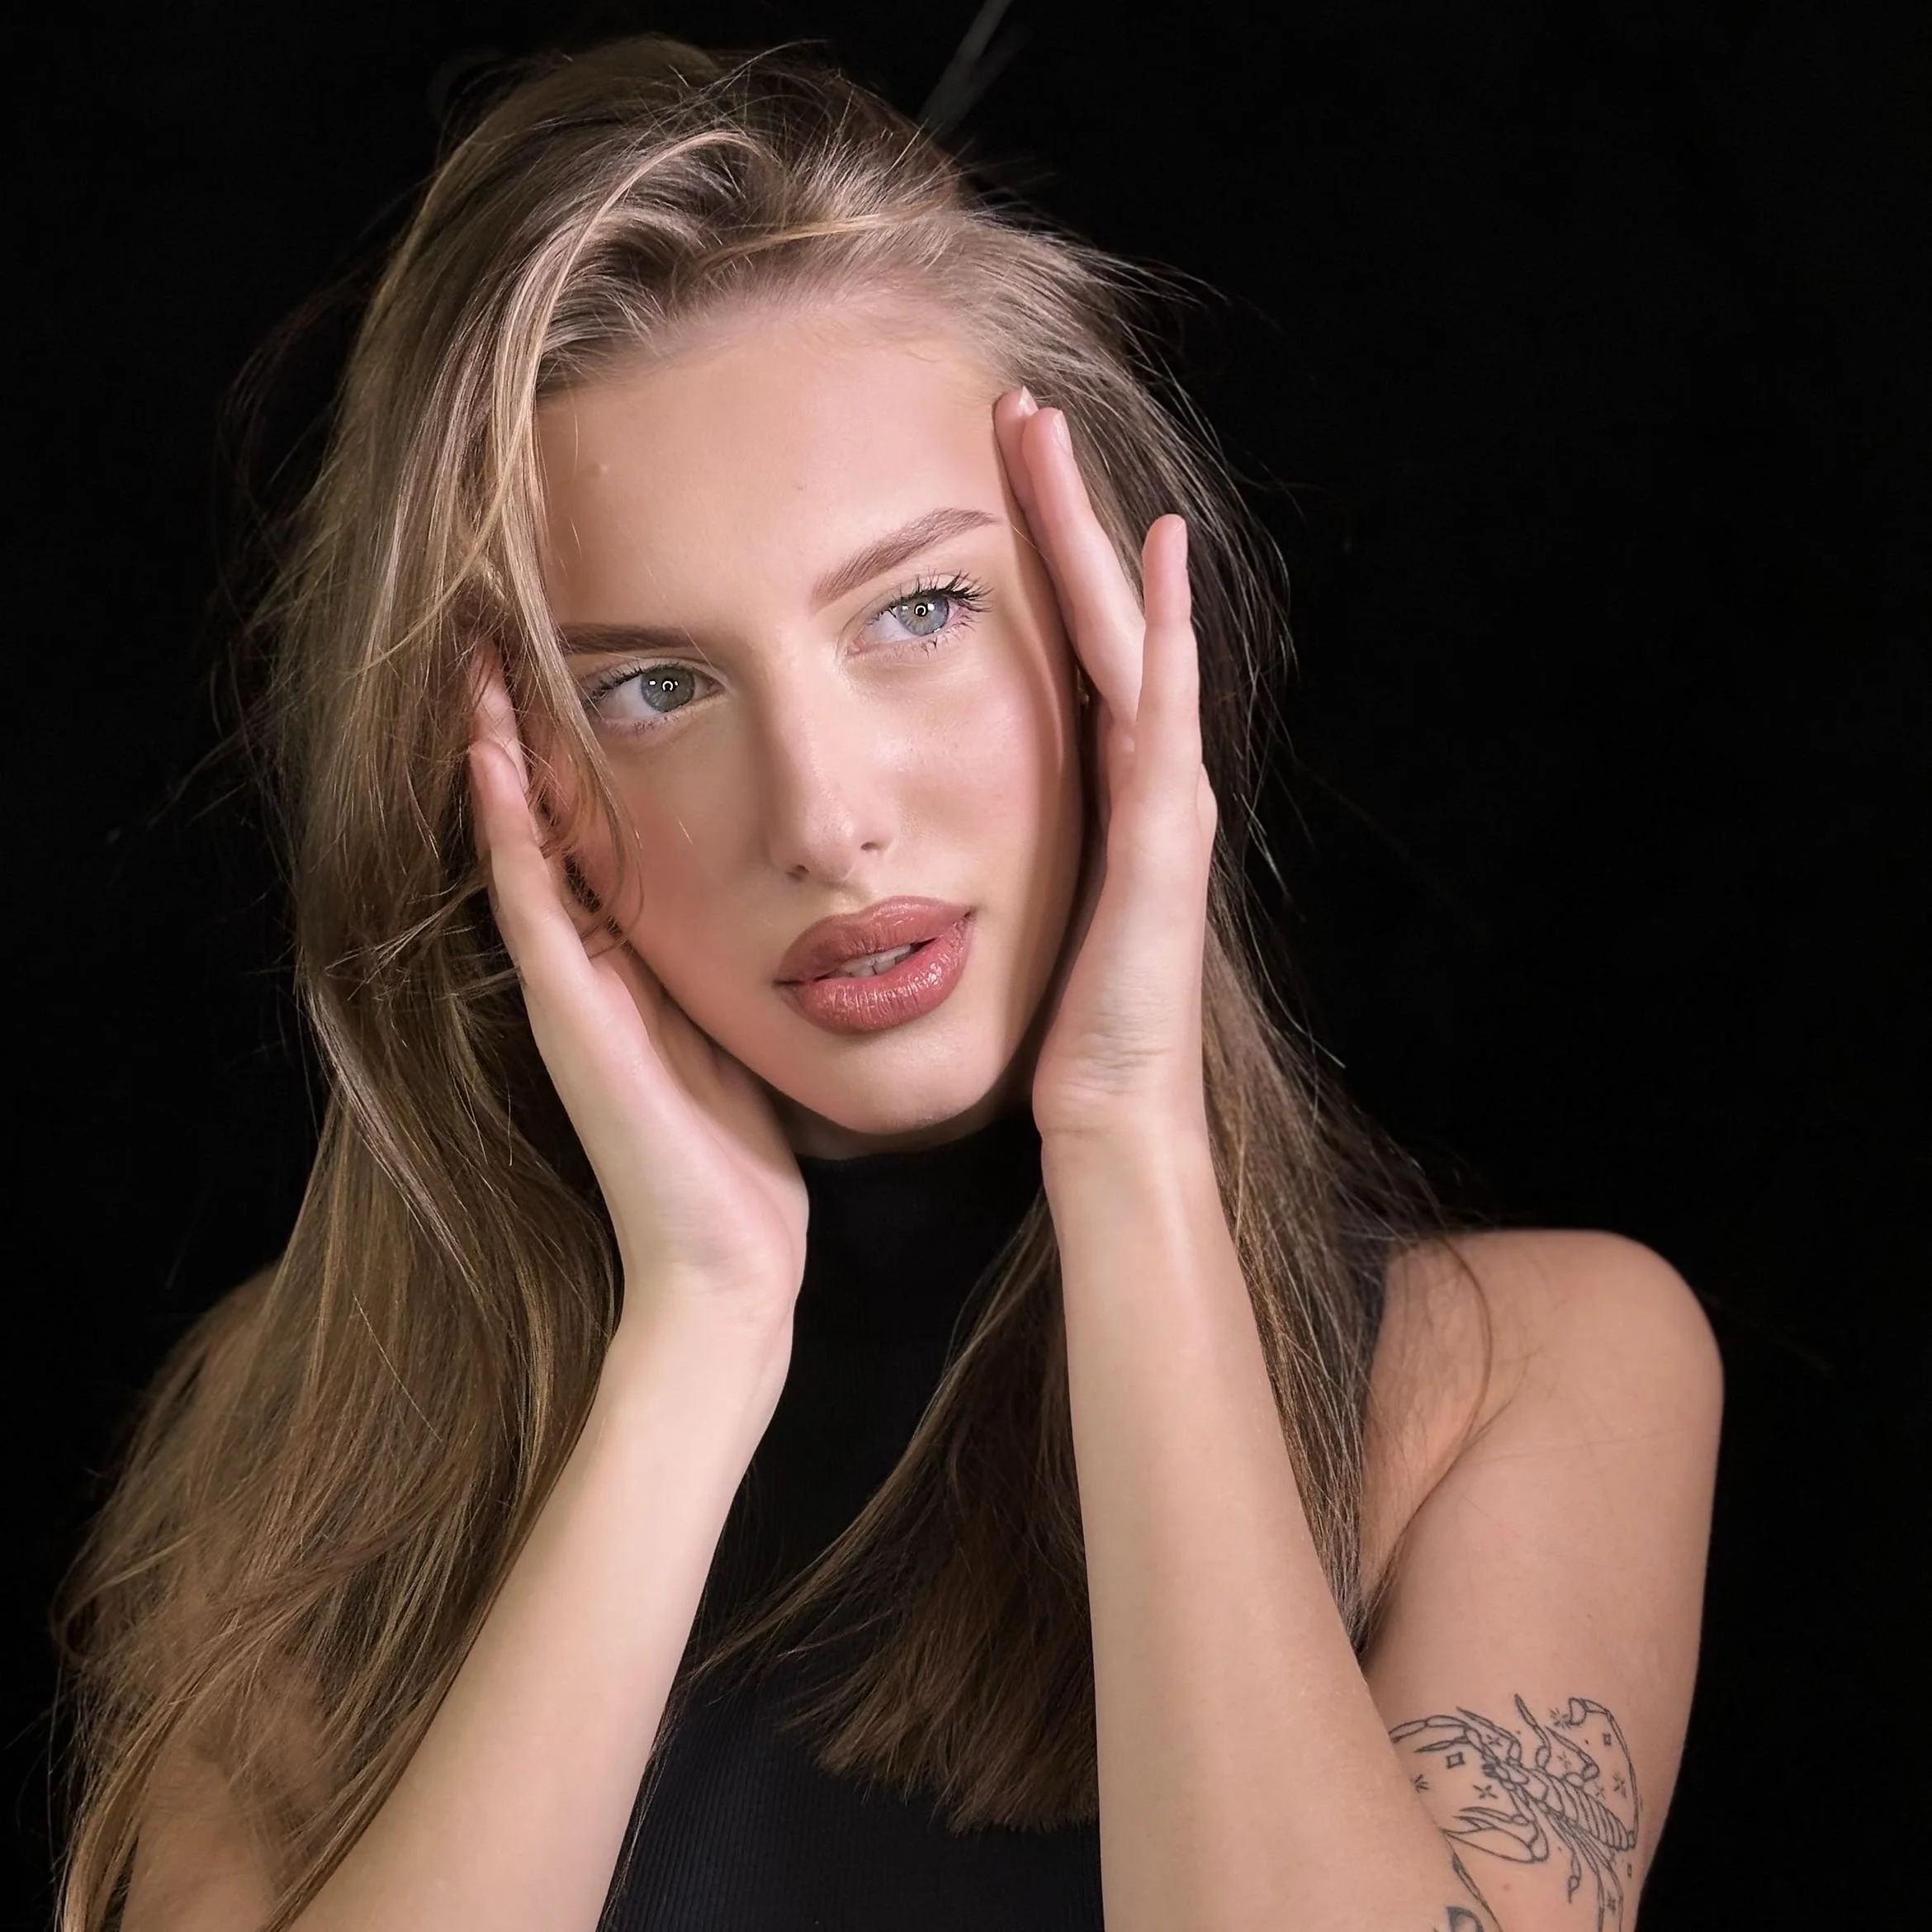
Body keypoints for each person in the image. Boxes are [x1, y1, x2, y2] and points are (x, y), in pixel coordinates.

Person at [51, 36, 1724, 1932]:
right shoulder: (290, 1429)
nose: (830, 821)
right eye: (654, 686)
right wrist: (692, 1341)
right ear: (503, 803)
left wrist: (1131, 1148)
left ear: (1119, 648)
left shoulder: (1521, 1374)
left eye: (918, 612)